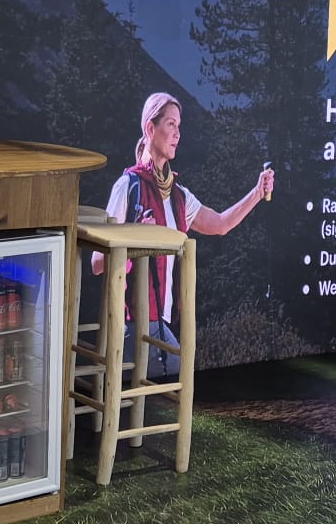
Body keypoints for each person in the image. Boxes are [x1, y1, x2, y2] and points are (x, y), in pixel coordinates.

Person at [100, 92, 274, 376]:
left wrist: (257, 193)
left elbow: (220, 224)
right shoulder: (128, 187)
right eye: (170, 124)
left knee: (173, 382)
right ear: (150, 128)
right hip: (129, 323)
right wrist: (134, 239)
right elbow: (98, 262)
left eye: (179, 126)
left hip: (159, 322)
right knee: (181, 377)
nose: (177, 134)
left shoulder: (179, 196)